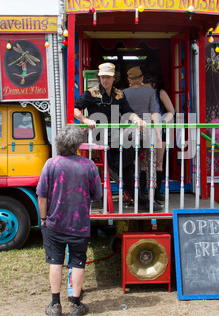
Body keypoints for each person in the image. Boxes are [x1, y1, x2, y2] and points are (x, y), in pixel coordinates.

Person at [37, 125, 102, 316]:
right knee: (78, 262)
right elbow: (97, 194)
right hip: (79, 224)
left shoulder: (51, 164)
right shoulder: (88, 165)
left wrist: (43, 219)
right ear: (77, 144)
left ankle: (55, 304)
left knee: (55, 261)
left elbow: (42, 197)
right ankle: (75, 304)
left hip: (55, 223)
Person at [74, 62, 149, 209]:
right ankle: (141, 200)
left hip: (116, 136)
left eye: (108, 77)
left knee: (143, 141)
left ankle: (116, 164)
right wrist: (85, 119)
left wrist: (138, 120)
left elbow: (129, 111)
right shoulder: (91, 93)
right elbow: (75, 109)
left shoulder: (119, 94)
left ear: (114, 78)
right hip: (99, 136)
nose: (105, 80)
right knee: (128, 166)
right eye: (102, 77)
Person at [123, 66, 162, 211]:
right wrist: (158, 134)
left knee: (133, 166)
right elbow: (154, 114)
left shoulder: (124, 93)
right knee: (151, 165)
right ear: (141, 78)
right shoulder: (149, 91)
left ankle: (135, 197)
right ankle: (151, 199)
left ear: (129, 79)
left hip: (130, 132)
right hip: (147, 129)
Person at [142, 74, 175, 203]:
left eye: (147, 84)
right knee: (144, 163)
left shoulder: (160, 93)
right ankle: (145, 192)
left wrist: (162, 123)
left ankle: (157, 193)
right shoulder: (141, 94)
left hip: (159, 131)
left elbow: (171, 111)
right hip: (144, 129)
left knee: (158, 162)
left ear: (153, 84)